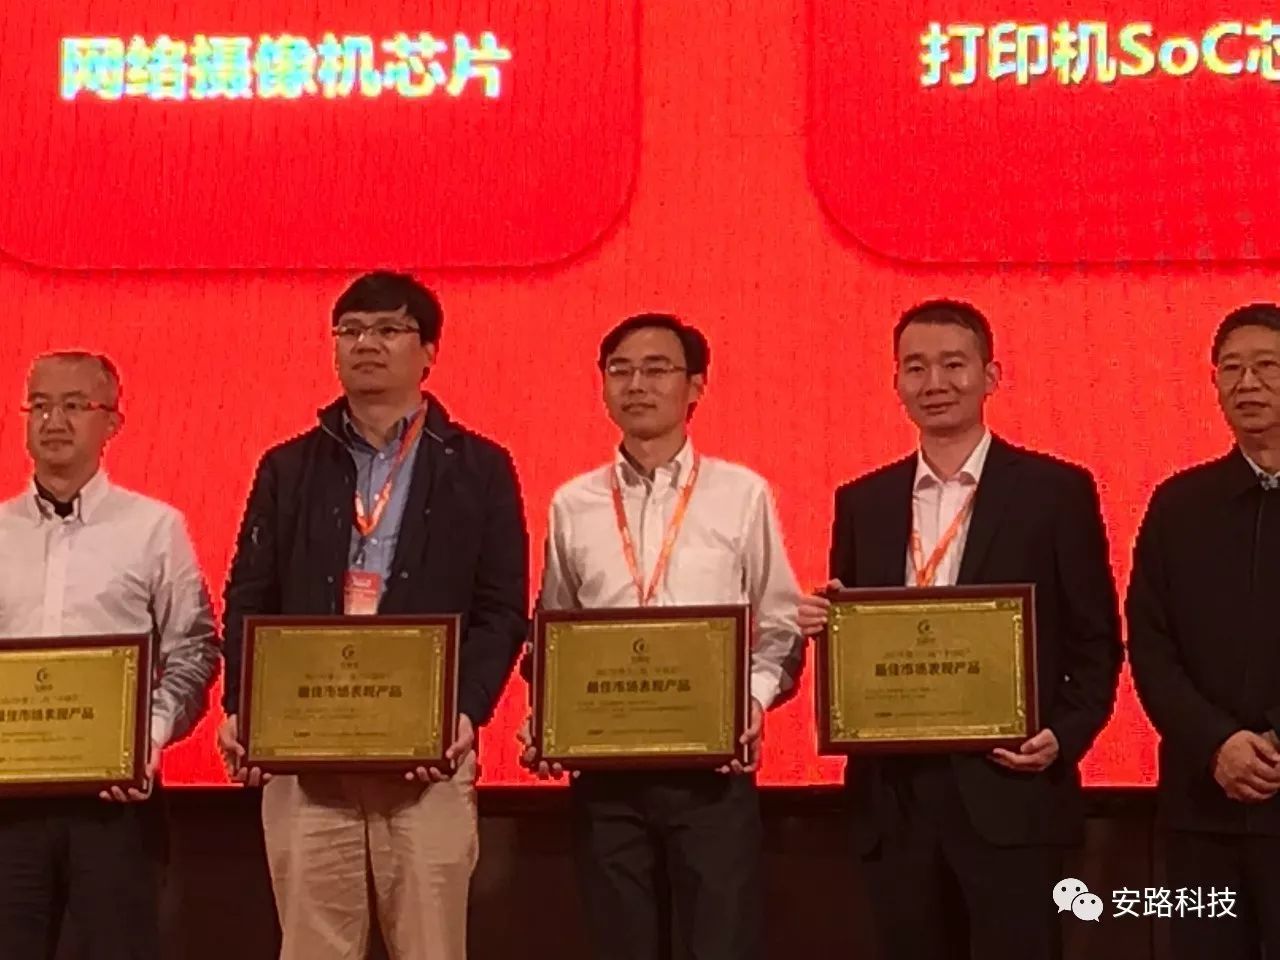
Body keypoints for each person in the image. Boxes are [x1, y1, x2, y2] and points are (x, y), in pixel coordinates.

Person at [217, 272, 529, 960]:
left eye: (389, 329)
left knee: (431, 947)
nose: (367, 344)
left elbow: (502, 609)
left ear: (429, 351)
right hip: (306, 761)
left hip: (429, 760)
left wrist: (464, 712)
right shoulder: (288, 467)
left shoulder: (479, 467)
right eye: (351, 330)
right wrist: (244, 704)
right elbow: (248, 597)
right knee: (312, 948)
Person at [797, 299, 1122, 960]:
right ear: (896, 382)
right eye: (915, 367)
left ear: (991, 375)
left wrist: (1063, 736)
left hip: (1012, 791)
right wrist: (830, 623)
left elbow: (1095, 639)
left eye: (953, 364)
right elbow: (857, 641)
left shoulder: (1055, 491)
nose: (934, 382)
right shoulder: (863, 502)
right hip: (894, 802)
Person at [520, 312, 805, 960]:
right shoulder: (572, 503)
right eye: (619, 370)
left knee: (721, 946)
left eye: (656, 369)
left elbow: (782, 623)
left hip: (711, 775)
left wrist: (750, 703)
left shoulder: (742, 493)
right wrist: (550, 717)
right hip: (606, 779)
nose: (636, 385)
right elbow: (555, 632)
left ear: (696, 386)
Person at [0, 351, 220, 959]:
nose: (54, 421)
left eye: (75, 405)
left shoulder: (154, 528)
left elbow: (195, 648)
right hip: (7, 804)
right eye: (39, 405)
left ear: (113, 424)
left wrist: (146, 739)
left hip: (118, 803)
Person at [1126, 303, 1280, 958]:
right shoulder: (1179, 505)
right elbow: (1150, 642)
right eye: (1232, 369)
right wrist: (1216, 742)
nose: (1248, 384)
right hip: (1201, 806)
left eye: (1267, 366)